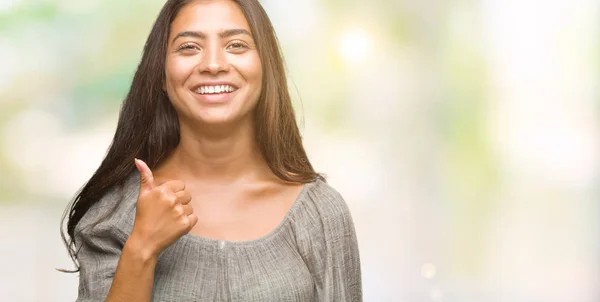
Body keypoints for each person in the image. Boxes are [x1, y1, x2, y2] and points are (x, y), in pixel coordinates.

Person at [60, 0, 362, 301]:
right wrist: (142, 248)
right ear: (161, 74)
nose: (213, 64)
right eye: (189, 47)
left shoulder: (320, 213)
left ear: (265, 67)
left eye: (236, 45)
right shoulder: (114, 213)